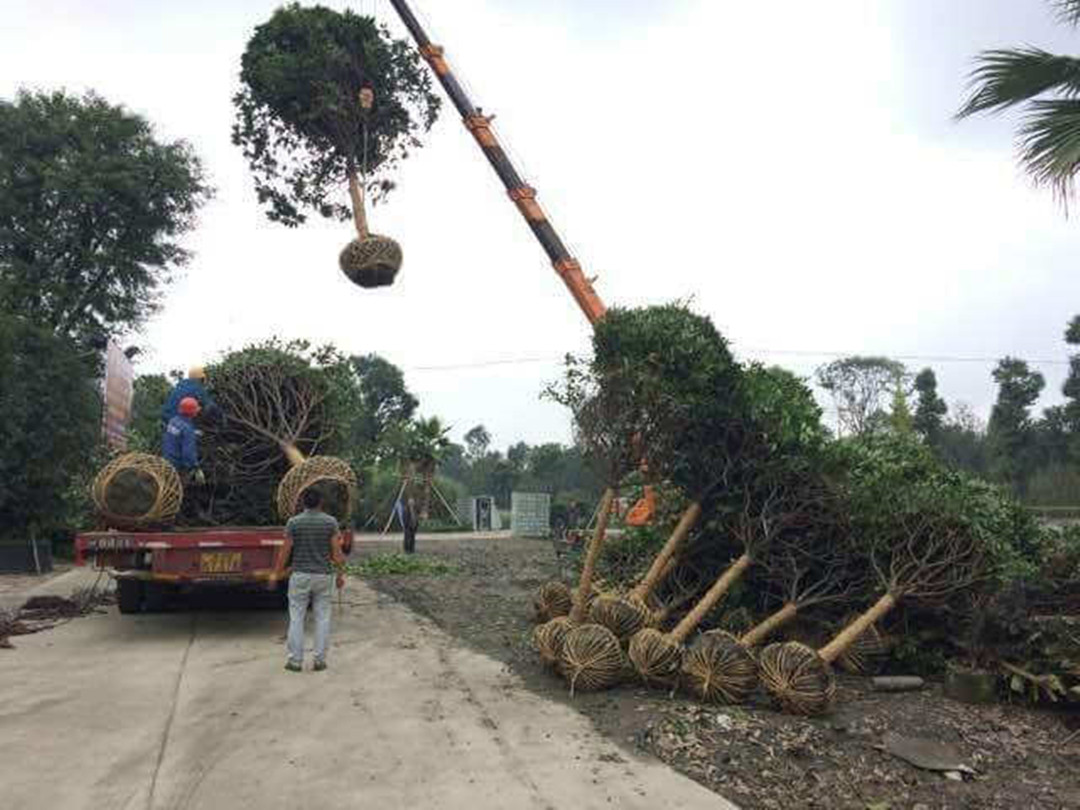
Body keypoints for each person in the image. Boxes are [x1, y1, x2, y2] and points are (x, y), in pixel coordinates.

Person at [277, 488, 344, 672]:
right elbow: (337, 553)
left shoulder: (293, 523)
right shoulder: (330, 522)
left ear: (303, 503)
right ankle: (320, 660)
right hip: (323, 576)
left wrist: (277, 572)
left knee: (296, 617)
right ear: (320, 502)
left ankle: (295, 661)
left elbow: (285, 551)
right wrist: (340, 575)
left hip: (300, 576)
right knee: (322, 617)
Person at [162, 397, 205, 485]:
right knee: (176, 488)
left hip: (166, 459)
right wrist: (196, 467)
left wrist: (193, 432)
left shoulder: (173, 421)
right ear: (193, 413)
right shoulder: (187, 431)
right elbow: (188, 454)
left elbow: (178, 432)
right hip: (177, 467)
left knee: (165, 484)